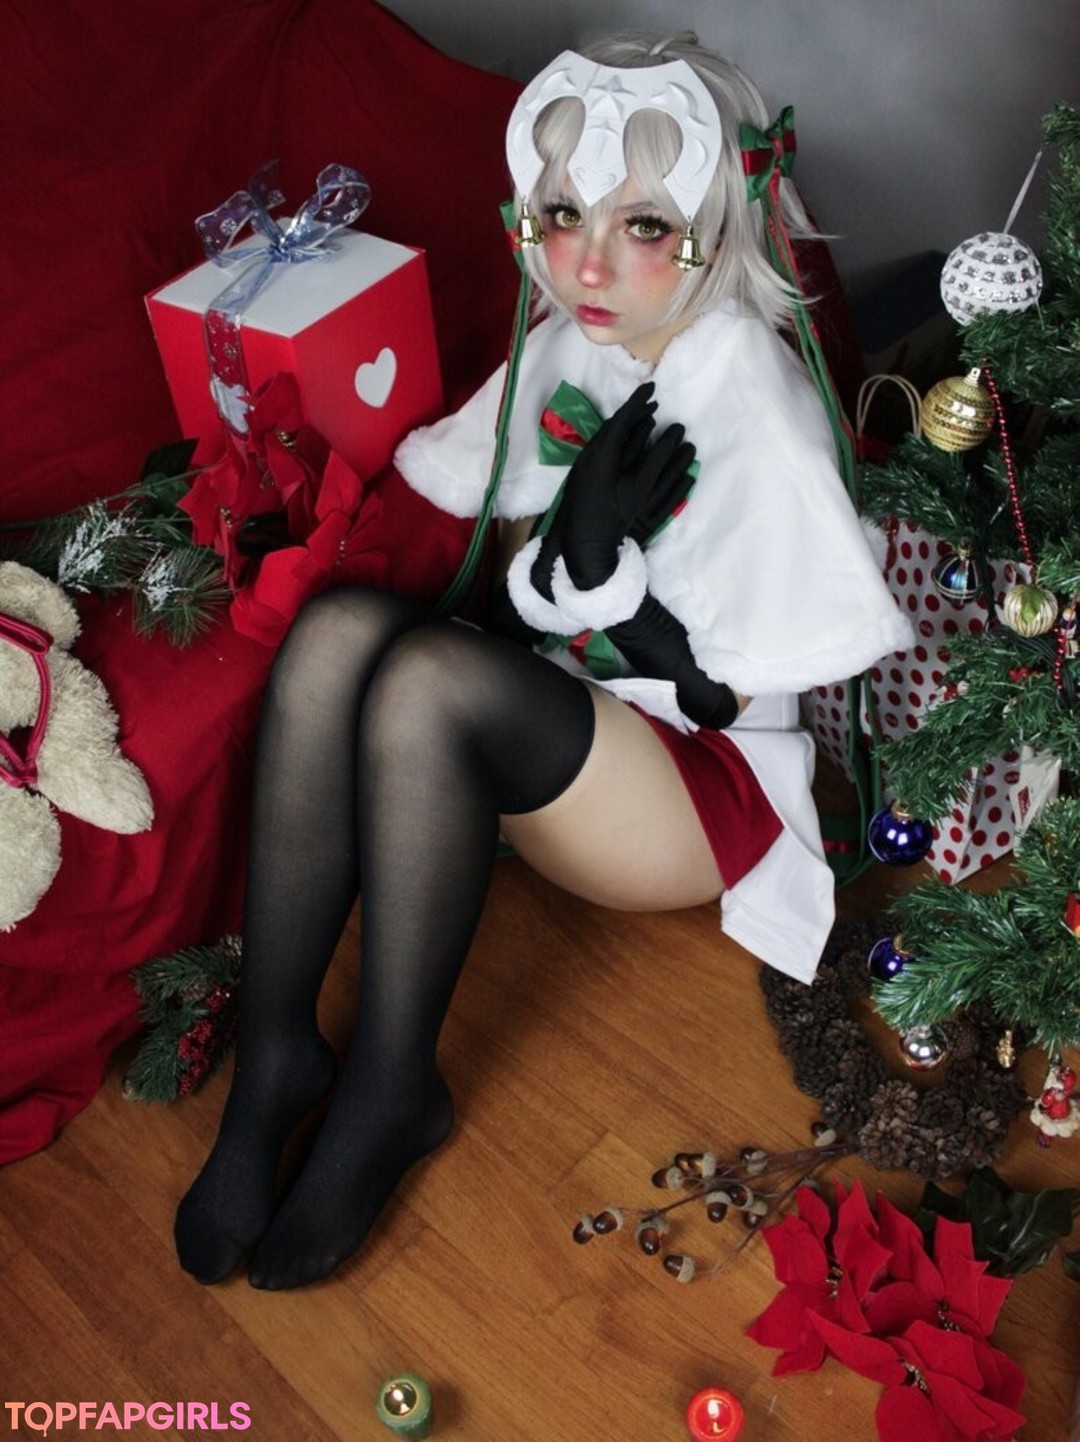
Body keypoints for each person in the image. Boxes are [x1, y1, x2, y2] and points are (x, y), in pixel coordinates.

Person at [174, 30, 913, 1291]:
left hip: (697, 788)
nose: (586, 263)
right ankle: (277, 1053)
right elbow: (520, 602)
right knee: (337, 633)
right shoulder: (580, 336)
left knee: (426, 682)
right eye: (564, 215)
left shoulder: (752, 395)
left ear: (715, 231)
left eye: (642, 225)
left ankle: (394, 1086)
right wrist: (568, 552)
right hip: (573, 721)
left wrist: (595, 557)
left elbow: (721, 691)